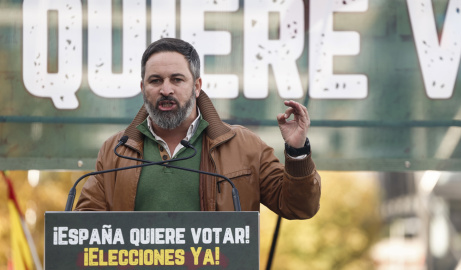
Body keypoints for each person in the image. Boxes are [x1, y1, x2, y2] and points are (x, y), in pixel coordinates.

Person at [75, 38, 321, 219]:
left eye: (177, 79)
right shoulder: (115, 150)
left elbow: (299, 207)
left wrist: (297, 151)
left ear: (197, 86)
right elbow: (84, 227)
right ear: (143, 88)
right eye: (155, 80)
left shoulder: (245, 146)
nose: (166, 90)